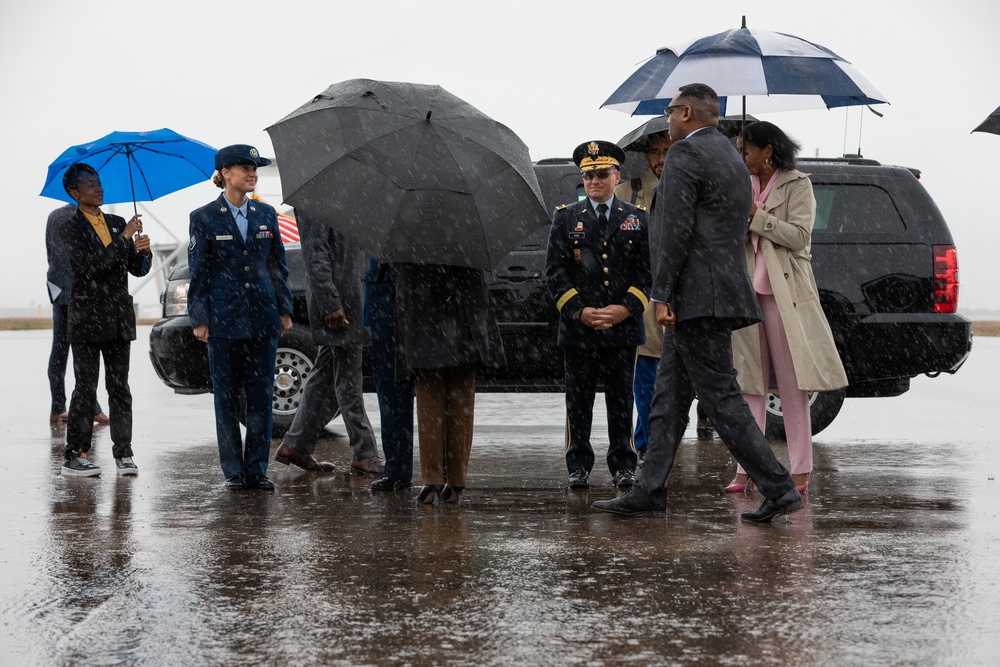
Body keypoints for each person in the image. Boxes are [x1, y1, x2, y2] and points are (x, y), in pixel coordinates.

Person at [591, 83, 802, 522]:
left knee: (722, 398)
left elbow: (675, 229)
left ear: (685, 112)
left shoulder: (686, 154)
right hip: (718, 289)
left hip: (694, 296)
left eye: (670, 112)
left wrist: (662, 293)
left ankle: (779, 487)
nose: (667, 120)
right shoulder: (729, 154)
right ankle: (649, 489)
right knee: (668, 398)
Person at [725, 121, 848, 493]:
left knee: (792, 387)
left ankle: (800, 472)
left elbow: (798, 237)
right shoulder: (740, 182)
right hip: (747, 291)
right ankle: (746, 470)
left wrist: (755, 218)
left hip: (784, 293)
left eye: (746, 150)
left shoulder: (798, 184)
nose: (741, 156)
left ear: (768, 150)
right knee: (750, 384)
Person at [545, 140, 650, 490]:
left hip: (622, 329)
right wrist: (580, 311)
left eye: (602, 174)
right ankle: (578, 464)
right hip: (580, 329)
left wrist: (625, 309)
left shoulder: (637, 220)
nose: (594, 181)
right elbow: (555, 273)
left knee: (622, 399)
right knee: (579, 399)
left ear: (616, 176)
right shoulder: (565, 218)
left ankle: (623, 464)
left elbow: (647, 274)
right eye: (588, 175)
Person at [188, 145, 293, 491]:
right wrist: (200, 318)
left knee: (261, 397)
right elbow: (199, 273)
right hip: (223, 320)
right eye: (245, 168)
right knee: (227, 398)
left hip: (262, 318)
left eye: (255, 168)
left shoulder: (266, 214)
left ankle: (257, 469)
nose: (252, 173)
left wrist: (284, 309)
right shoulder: (203, 217)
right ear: (225, 173)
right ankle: (234, 471)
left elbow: (277, 265)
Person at [273, 213, 384, 476]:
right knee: (348, 381)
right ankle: (364, 454)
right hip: (339, 306)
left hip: (352, 300)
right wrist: (329, 302)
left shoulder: (346, 196)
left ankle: (295, 445)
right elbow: (315, 254)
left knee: (324, 374)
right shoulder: (318, 201)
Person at [58, 163, 151, 476]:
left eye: (98, 183)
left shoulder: (116, 222)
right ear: (74, 193)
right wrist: (125, 239)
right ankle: (76, 453)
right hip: (86, 319)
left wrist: (143, 252)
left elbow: (135, 269)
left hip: (118, 318)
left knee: (119, 387)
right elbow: (90, 267)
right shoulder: (70, 227)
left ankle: (124, 453)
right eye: (89, 185)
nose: (98, 188)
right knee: (85, 388)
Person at [396, 263, 505, 504]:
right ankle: (455, 481)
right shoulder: (469, 233)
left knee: (430, 406)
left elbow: (402, 277)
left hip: (424, 317)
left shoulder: (409, 235)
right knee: (460, 407)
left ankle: (432, 479)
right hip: (464, 317)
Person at [614, 132, 672, 466]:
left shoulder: (691, 186)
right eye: (654, 152)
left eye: (667, 151)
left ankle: (665, 440)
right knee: (646, 379)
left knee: (680, 381)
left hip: (681, 292)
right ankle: (647, 446)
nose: (660, 159)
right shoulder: (629, 191)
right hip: (644, 298)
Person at [46, 203, 107, 424]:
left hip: (59, 288)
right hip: (80, 292)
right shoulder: (87, 217)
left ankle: (58, 406)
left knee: (60, 350)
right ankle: (93, 407)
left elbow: (51, 253)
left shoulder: (54, 216)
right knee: (85, 352)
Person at [363, 259, 415, 491]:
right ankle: (397, 468)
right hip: (384, 306)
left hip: (415, 302)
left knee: (403, 393)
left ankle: (433, 473)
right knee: (390, 393)